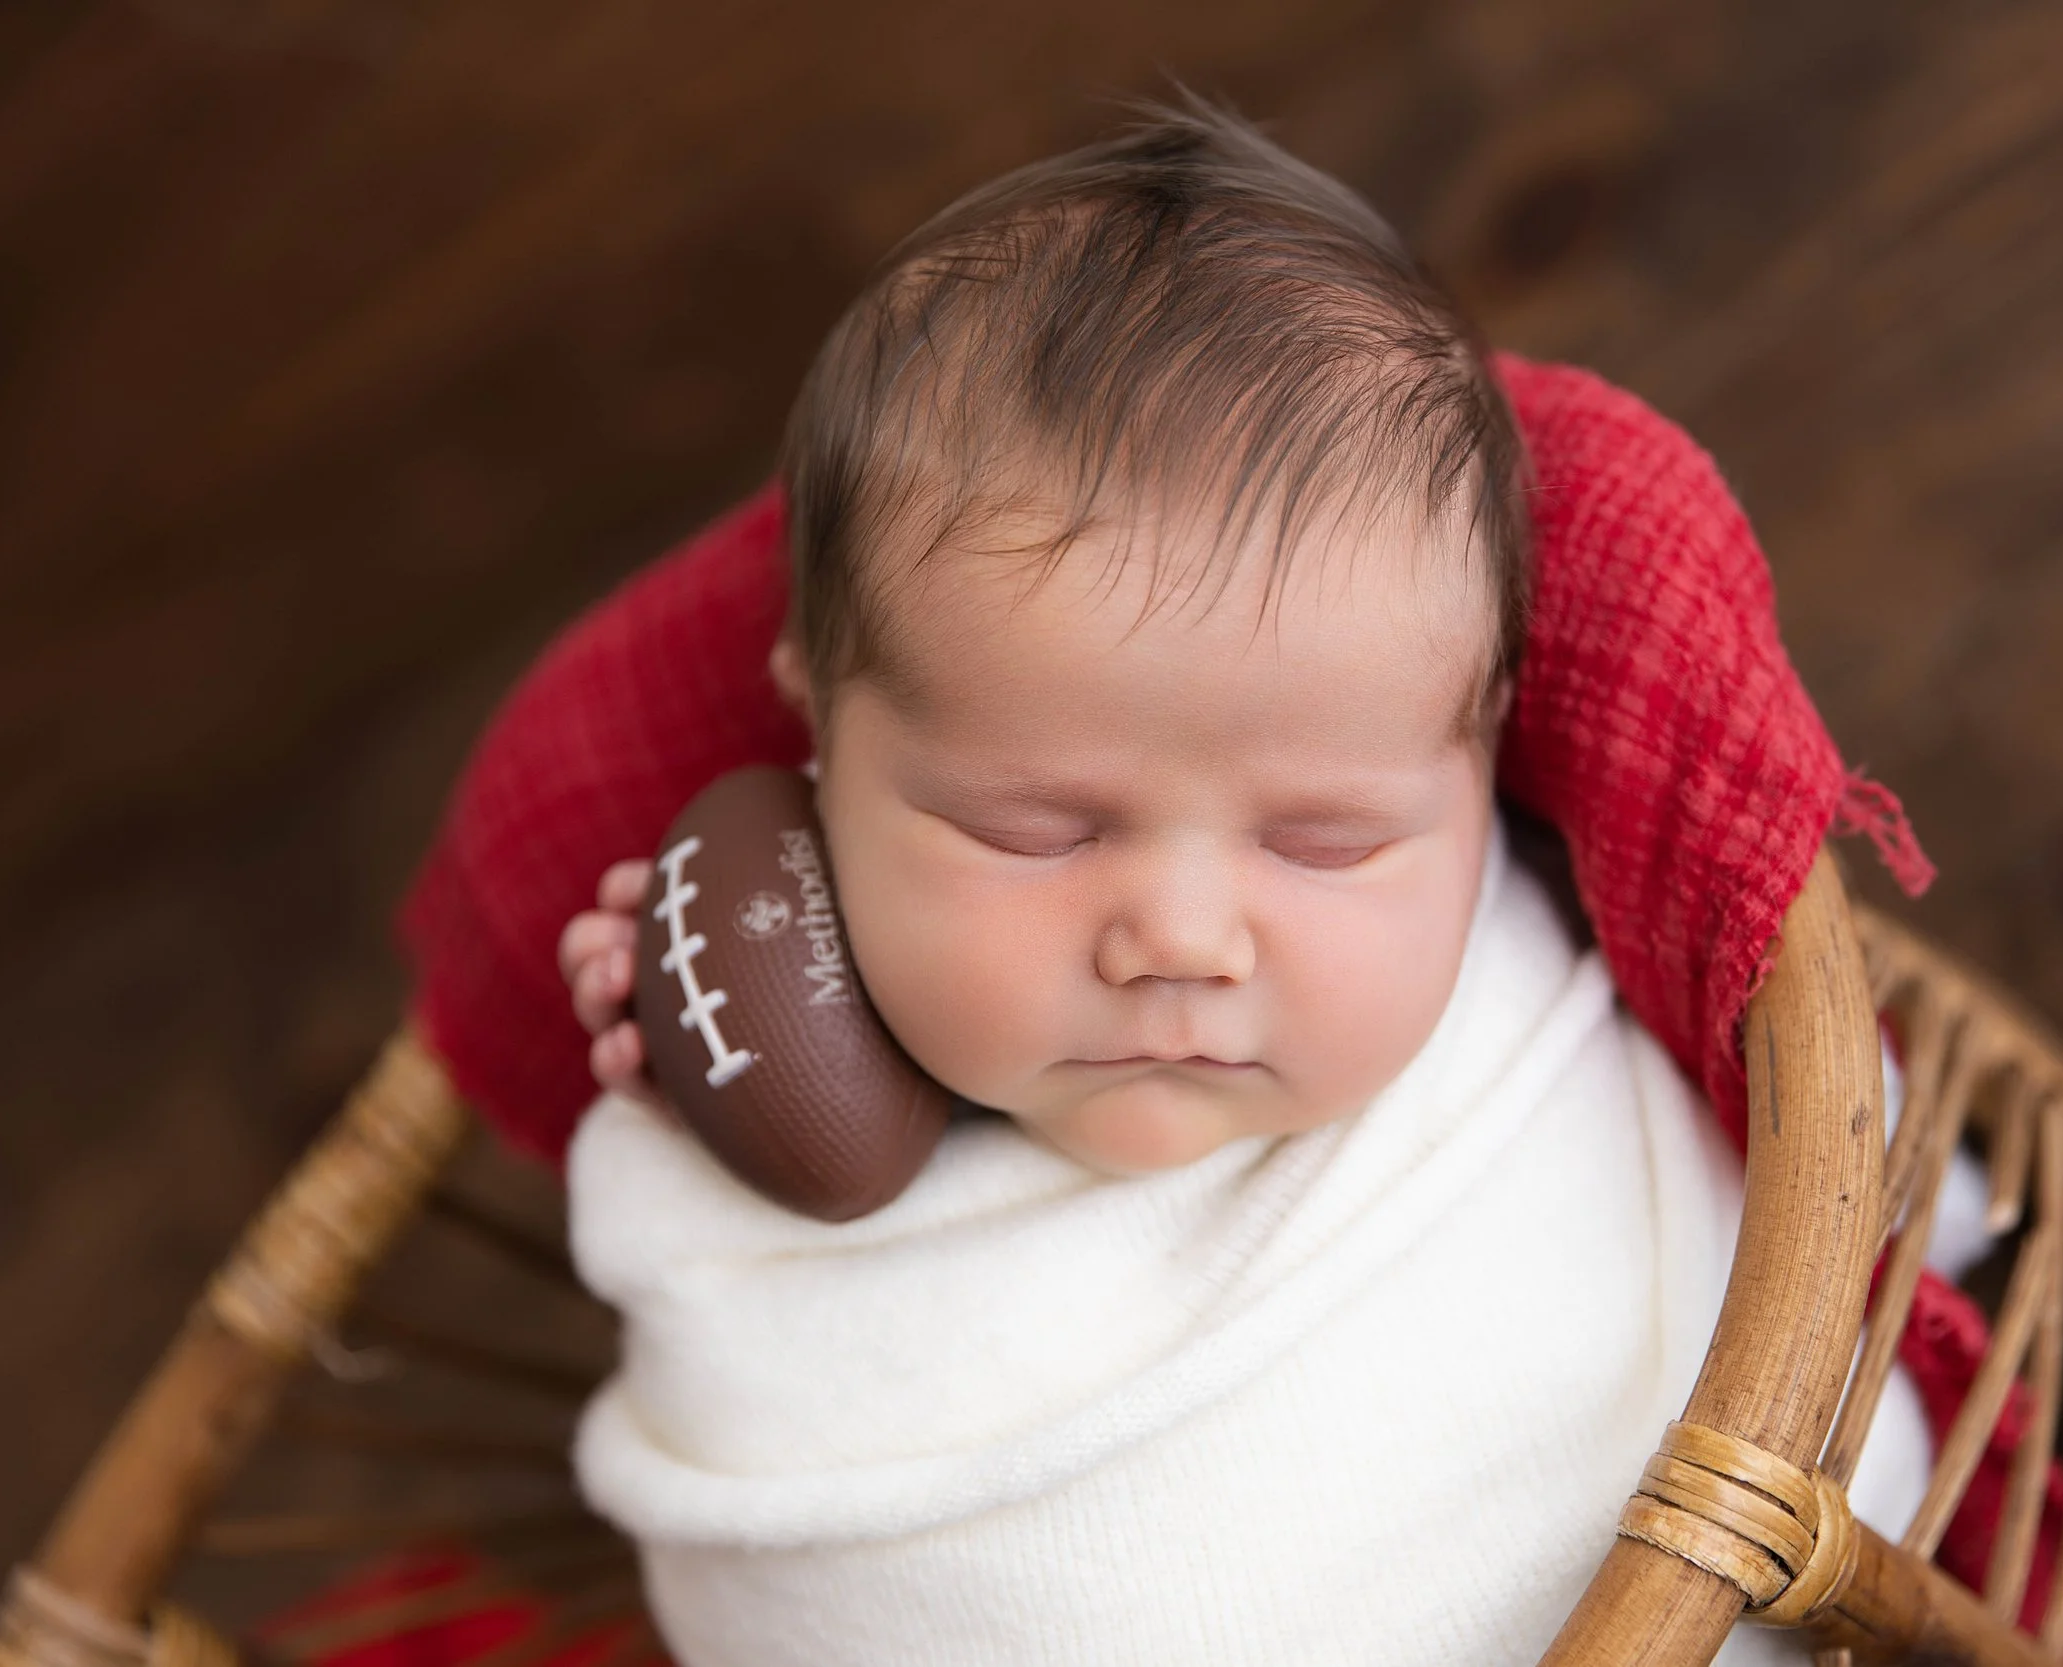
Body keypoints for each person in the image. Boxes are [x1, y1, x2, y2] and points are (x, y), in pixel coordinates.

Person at [554, 99, 1955, 1667]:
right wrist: (704, 1067)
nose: (1182, 936)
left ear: (1483, 753)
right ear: (820, 733)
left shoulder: (1531, 960)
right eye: (1035, 829)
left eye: (1322, 840)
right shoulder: (801, 979)